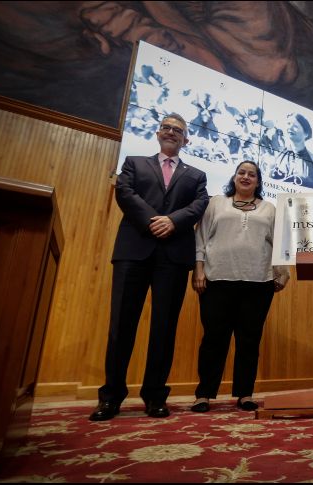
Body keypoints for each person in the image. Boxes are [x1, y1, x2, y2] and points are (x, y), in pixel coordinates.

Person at [90, 113, 209, 421]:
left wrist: (173, 221)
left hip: (173, 256)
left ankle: (155, 396)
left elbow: (198, 205)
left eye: (178, 130)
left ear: (186, 139)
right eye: (167, 128)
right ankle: (111, 397)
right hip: (134, 250)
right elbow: (125, 193)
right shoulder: (133, 163)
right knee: (121, 326)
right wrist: (154, 221)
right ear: (158, 133)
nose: (172, 132)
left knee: (164, 329)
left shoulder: (197, 175)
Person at [191, 161, 290, 412]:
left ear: (258, 181)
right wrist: (199, 270)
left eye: (252, 174)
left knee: (249, 341)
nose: (246, 177)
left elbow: (280, 244)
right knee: (214, 339)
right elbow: (201, 237)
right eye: (241, 173)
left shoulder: (270, 208)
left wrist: (282, 273)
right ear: (234, 177)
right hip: (217, 280)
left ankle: (245, 394)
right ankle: (204, 394)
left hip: (258, 282)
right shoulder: (216, 203)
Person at [269, 113, 313, 190]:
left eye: (295, 126)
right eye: (289, 124)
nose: (290, 127)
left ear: (306, 134)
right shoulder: (277, 154)